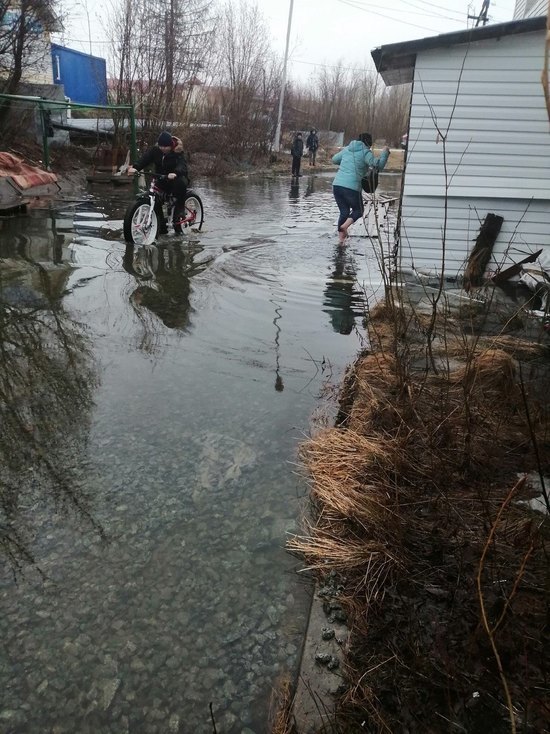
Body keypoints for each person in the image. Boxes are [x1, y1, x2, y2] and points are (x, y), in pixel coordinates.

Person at [331, 132, 390, 244]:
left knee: (344, 212)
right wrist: (385, 153)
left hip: (337, 186)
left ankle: (341, 241)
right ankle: (344, 227)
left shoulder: (347, 149)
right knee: (359, 210)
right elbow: (378, 166)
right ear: (368, 143)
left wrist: (347, 164)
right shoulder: (365, 152)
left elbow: (334, 160)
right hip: (351, 188)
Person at [127, 131, 189, 234]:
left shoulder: (178, 152)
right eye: (161, 146)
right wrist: (135, 167)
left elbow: (182, 166)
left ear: (171, 145)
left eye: (166, 147)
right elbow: (145, 159)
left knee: (181, 183)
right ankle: (161, 226)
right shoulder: (155, 151)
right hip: (161, 179)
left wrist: (175, 173)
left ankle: (179, 212)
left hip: (175, 181)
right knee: (154, 198)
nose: (163, 149)